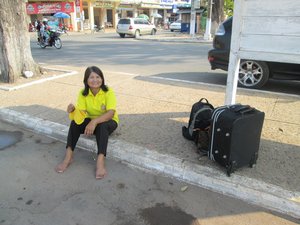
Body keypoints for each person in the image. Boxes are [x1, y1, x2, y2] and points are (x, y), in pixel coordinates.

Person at [55, 66, 119, 179]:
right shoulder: (82, 93)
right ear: (86, 80)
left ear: (102, 79)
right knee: (75, 123)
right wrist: (73, 111)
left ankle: (100, 161)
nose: (95, 80)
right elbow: (81, 116)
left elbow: (111, 114)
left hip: (108, 121)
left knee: (102, 125)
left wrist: (94, 122)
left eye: (98, 77)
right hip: (91, 122)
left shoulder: (108, 91)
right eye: (91, 77)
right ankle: (68, 157)